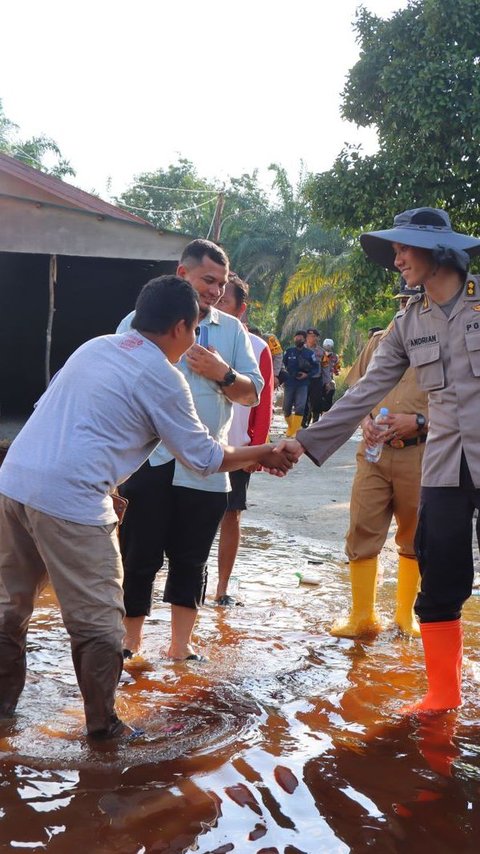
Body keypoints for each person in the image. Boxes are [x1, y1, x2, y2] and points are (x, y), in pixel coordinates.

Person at [0, 275, 294, 739]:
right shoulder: (163, 374)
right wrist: (264, 451)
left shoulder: (97, 346)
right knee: (100, 623)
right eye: (195, 330)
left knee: (9, 608)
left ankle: (3, 712)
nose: (195, 340)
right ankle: (104, 729)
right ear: (180, 327)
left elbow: (67, 417)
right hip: (71, 498)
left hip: (14, 483)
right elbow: (205, 458)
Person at [286, 206, 480, 715]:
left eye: (403, 248)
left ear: (437, 251)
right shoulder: (407, 323)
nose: (396, 259)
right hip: (444, 468)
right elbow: (366, 390)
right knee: (438, 576)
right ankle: (443, 695)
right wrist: (302, 443)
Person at [117, 240, 266, 661]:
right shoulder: (138, 321)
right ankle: (130, 643)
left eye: (221, 283)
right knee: (138, 553)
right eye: (208, 280)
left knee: (192, 558)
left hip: (206, 465)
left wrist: (223, 373)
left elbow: (252, 394)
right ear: (183, 275)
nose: (216, 290)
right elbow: (122, 379)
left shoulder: (233, 331)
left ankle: (180, 649)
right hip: (151, 458)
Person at [331, 281, 428, 639]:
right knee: (361, 529)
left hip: (421, 451)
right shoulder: (378, 341)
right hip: (374, 453)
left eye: (414, 301)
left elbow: (460, 404)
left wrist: (419, 421)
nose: (406, 308)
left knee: (415, 536)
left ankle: (405, 617)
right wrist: (365, 421)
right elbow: (357, 391)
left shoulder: (442, 342)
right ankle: (363, 617)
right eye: (403, 301)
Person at [214, 273, 274, 606]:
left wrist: (256, 450)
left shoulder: (257, 347)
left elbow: (262, 404)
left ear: (241, 309)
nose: (217, 305)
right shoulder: (196, 335)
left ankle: (222, 588)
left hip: (237, 447)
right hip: (199, 443)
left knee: (231, 513)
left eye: (225, 301)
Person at [281, 330, 316, 437]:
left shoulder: (310, 353)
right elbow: (282, 365)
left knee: (300, 407)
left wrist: (307, 375)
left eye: (300, 338)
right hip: (289, 383)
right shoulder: (289, 351)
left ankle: (294, 431)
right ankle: (291, 427)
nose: (298, 339)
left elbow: (316, 369)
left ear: (304, 339)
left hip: (303, 384)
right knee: (286, 408)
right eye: (296, 337)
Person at [301, 328, 324, 427]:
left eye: (314, 336)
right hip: (303, 379)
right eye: (310, 336)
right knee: (304, 401)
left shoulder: (321, 352)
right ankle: (304, 421)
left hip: (316, 379)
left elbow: (325, 367)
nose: (312, 338)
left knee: (316, 401)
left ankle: (315, 421)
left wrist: (327, 381)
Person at [319, 338, 341, 414]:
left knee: (325, 397)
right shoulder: (335, 356)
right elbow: (337, 370)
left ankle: (323, 412)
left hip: (323, 379)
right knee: (327, 396)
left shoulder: (320, 354)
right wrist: (337, 372)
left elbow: (337, 369)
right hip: (322, 379)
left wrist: (337, 371)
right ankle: (323, 412)